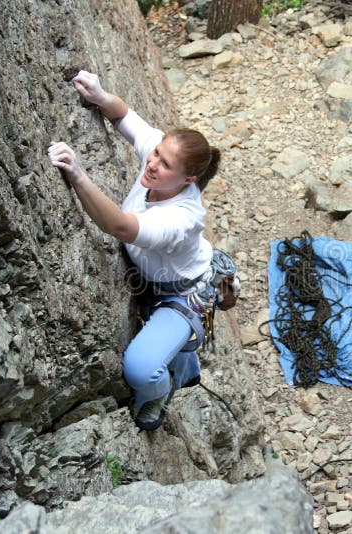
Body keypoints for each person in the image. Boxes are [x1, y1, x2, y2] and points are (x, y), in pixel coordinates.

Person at [47, 70, 225, 431]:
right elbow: (125, 117)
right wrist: (99, 95)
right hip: (160, 276)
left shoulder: (182, 218)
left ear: (188, 179)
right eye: (156, 154)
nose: (153, 164)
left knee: (141, 370)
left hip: (183, 295)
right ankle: (177, 353)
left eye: (165, 165)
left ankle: (160, 392)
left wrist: (78, 176)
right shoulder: (161, 158)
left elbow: (121, 227)